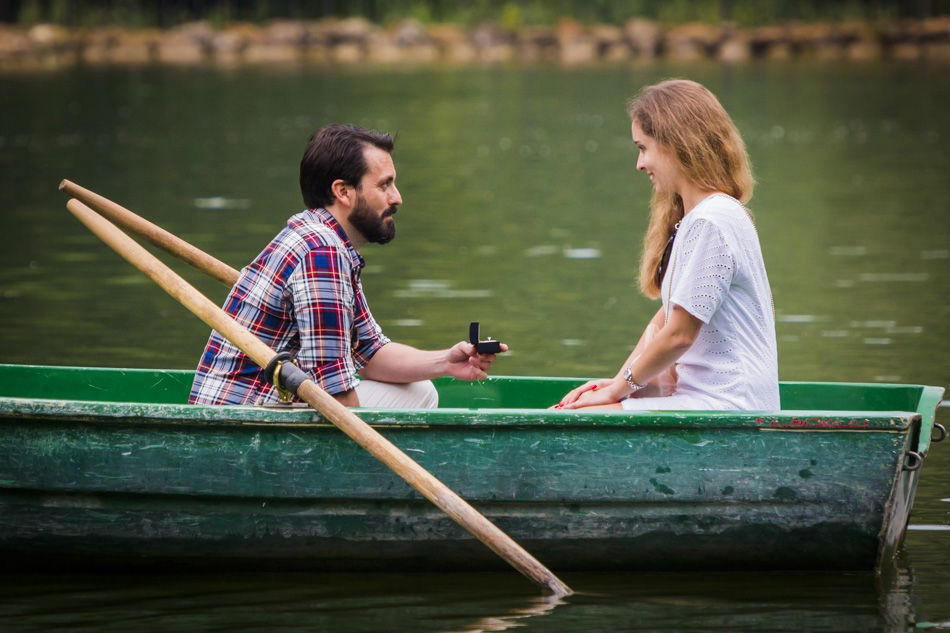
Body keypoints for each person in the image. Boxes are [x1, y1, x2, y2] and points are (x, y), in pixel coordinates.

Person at [189, 124, 506, 408]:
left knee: (419, 390)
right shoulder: (322, 254)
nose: (397, 198)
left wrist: (446, 363)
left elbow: (370, 353)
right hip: (243, 417)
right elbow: (335, 394)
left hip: (259, 406)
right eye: (384, 185)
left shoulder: (324, 239)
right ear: (342, 192)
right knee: (416, 397)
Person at [555, 79, 778, 411]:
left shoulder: (712, 220)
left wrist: (617, 391)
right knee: (584, 407)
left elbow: (679, 335)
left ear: (675, 143)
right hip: (712, 402)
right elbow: (665, 320)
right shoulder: (701, 217)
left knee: (579, 418)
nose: (639, 164)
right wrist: (618, 383)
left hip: (729, 405)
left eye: (643, 148)